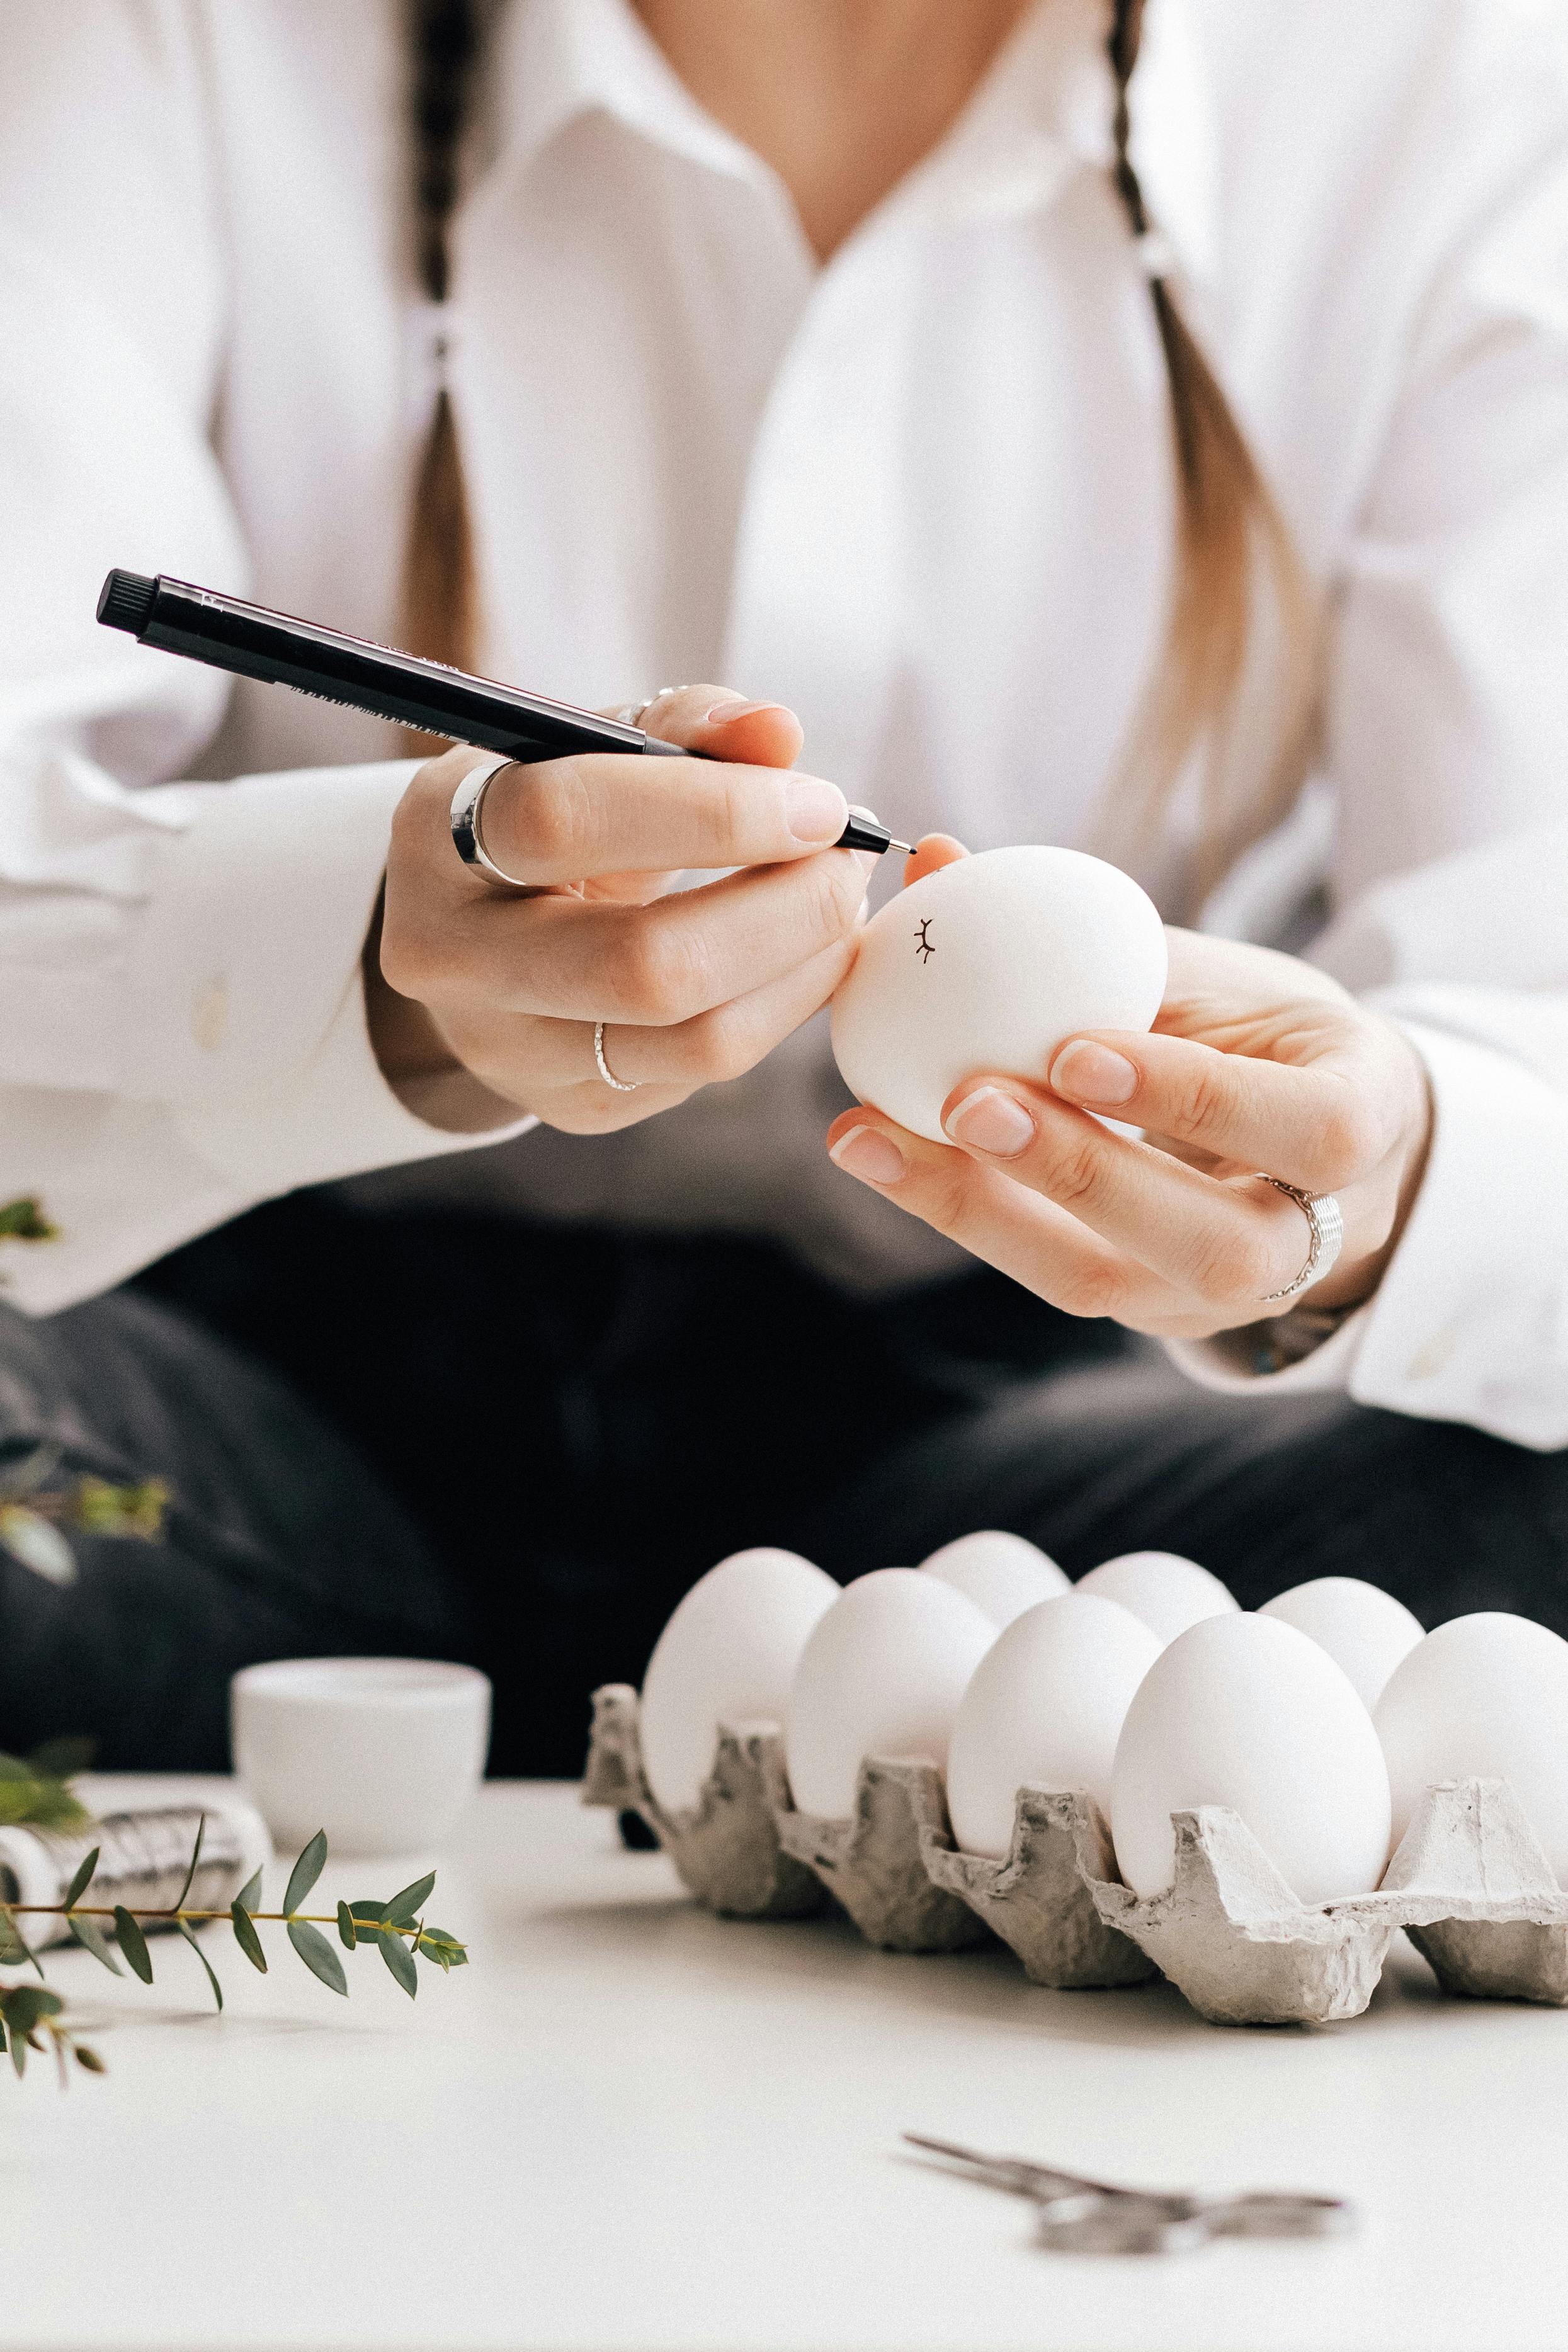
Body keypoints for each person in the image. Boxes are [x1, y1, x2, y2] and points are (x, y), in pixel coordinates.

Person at [2, 0, 1565, 1777]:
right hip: (263, 1420)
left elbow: (1540, 1032)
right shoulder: (175, 35)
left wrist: (1370, 1192)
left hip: (1016, 1474)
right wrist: (362, 970)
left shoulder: (1448, 90)